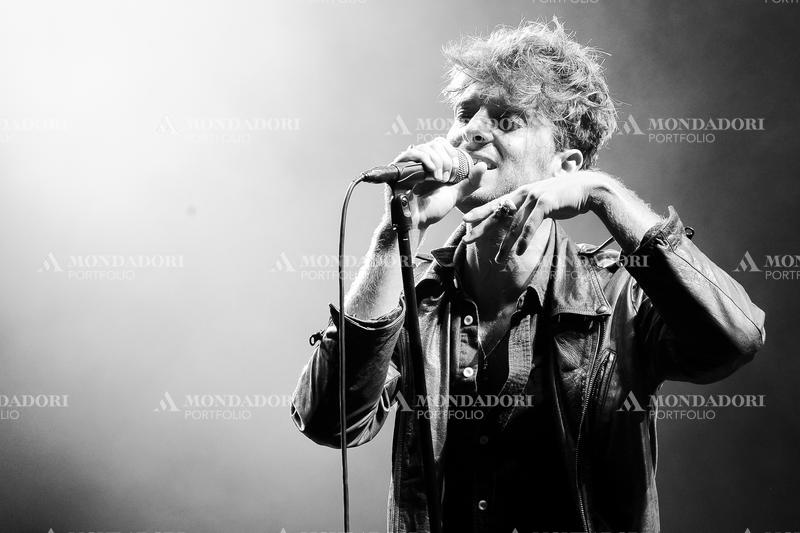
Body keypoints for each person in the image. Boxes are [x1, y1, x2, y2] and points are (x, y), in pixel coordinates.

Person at [290, 19, 766, 533]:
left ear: (568, 166)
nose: (471, 130)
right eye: (465, 113)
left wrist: (605, 194)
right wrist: (395, 234)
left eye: (507, 119)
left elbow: (734, 339)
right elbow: (329, 421)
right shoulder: (415, 295)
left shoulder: (619, 294)